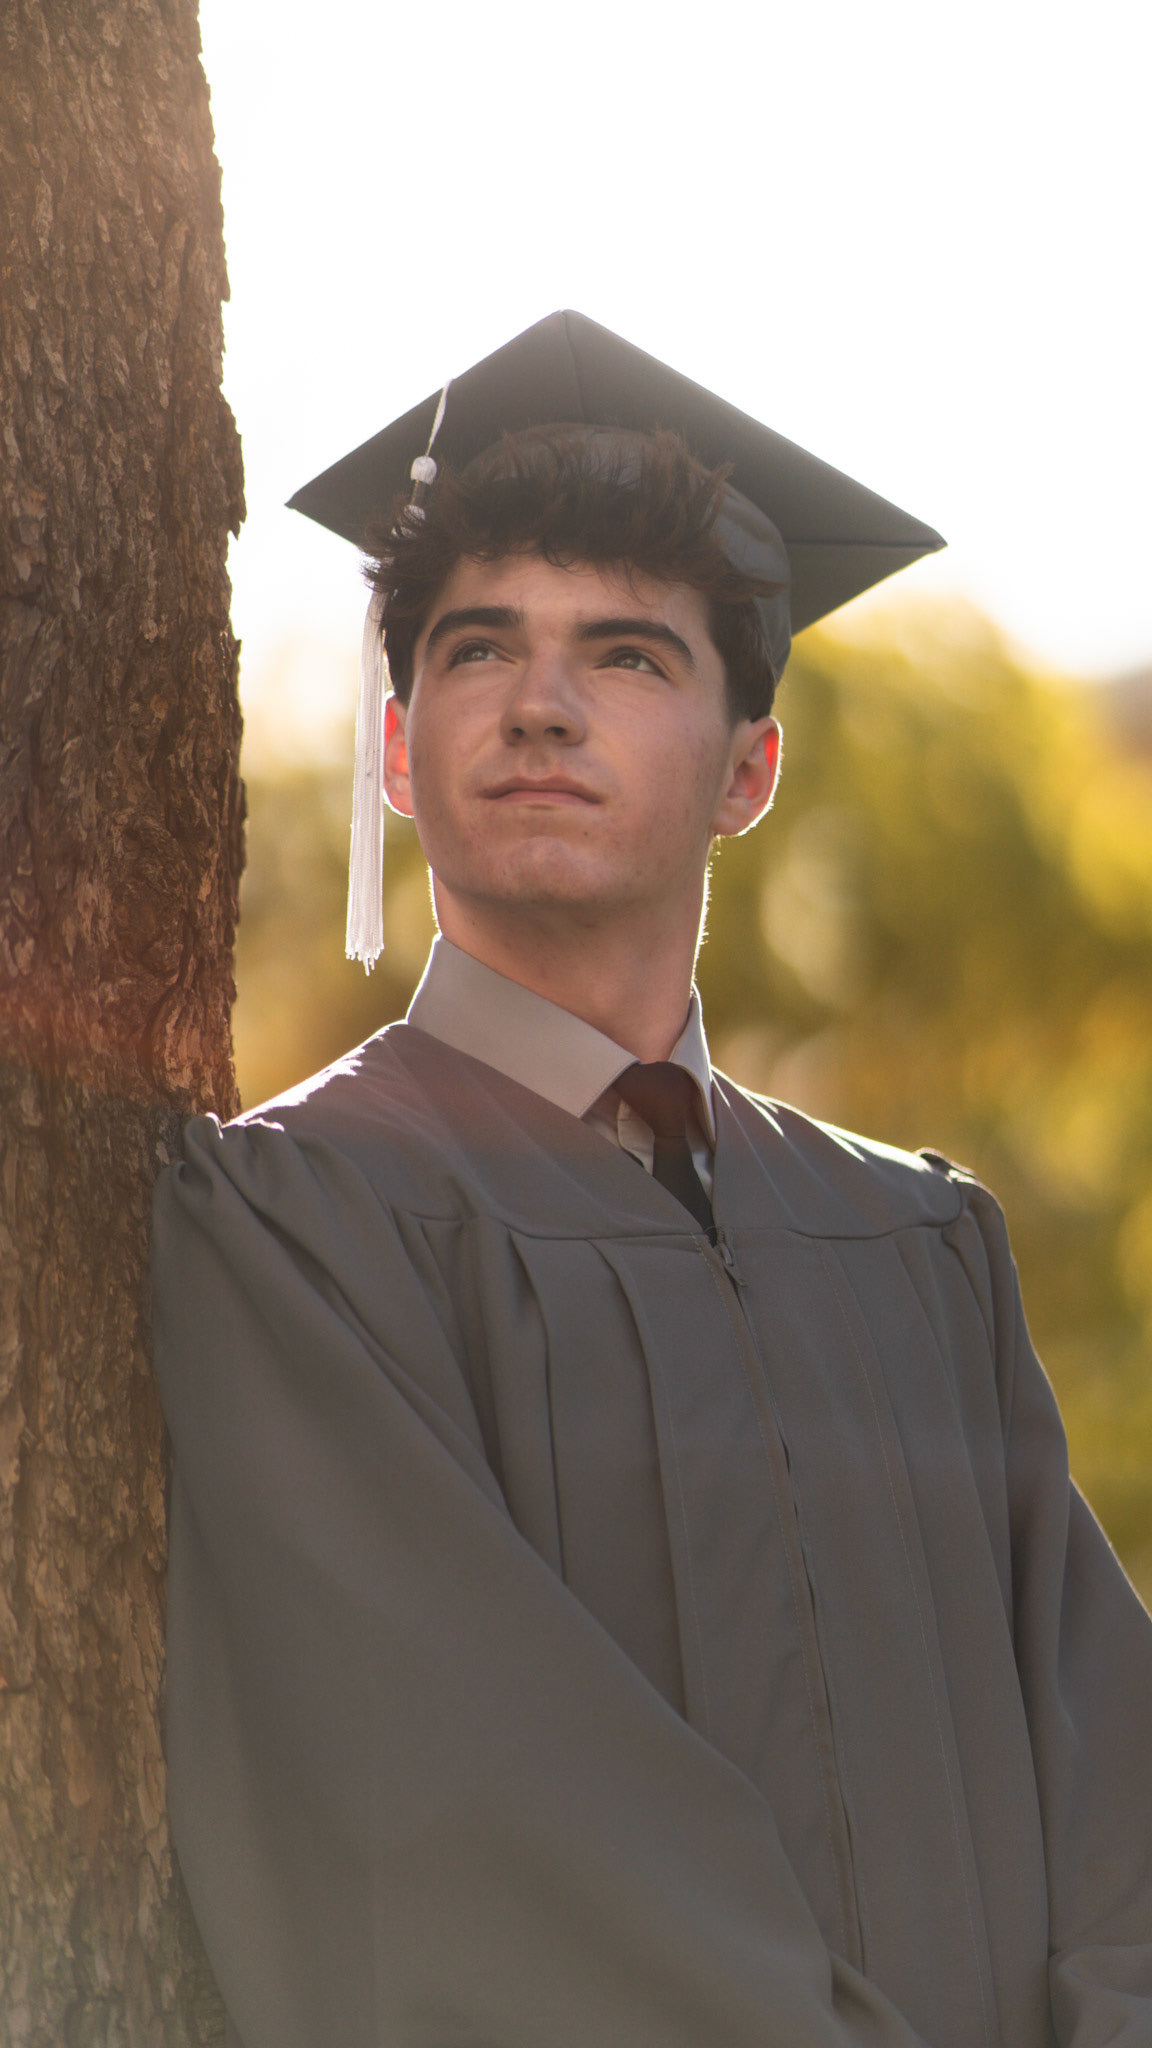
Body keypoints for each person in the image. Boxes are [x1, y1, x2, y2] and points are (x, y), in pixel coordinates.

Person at [152, 312, 1152, 2048]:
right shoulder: (297, 1222)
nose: (539, 702)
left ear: (749, 770)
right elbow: (462, 1830)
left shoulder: (919, 1245)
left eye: (626, 654)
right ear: (399, 749)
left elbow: (1119, 1803)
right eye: (478, 647)